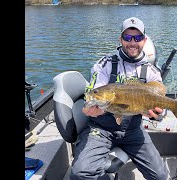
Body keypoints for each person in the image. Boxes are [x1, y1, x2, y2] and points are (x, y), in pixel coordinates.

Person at [70, 17, 169, 180]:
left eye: (137, 38)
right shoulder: (105, 64)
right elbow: (92, 99)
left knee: (160, 176)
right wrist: (92, 110)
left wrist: (158, 114)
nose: (132, 42)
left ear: (144, 40)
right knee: (79, 173)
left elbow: (160, 109)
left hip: (133, 130)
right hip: (101, 129)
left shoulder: (152, 72)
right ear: (120, 39)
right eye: (127, 37)